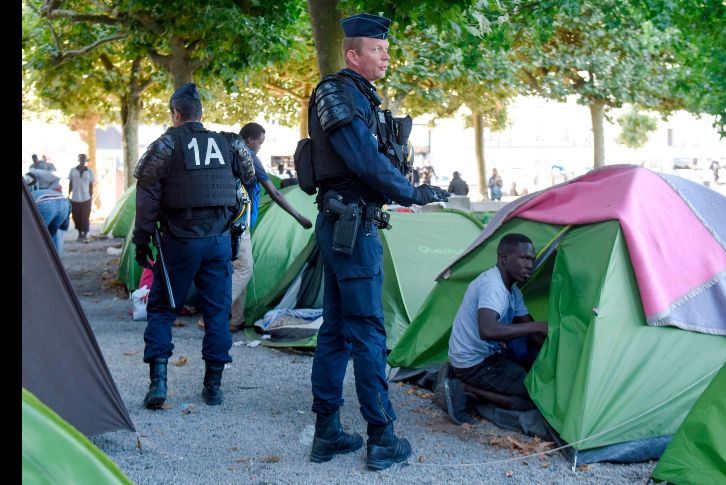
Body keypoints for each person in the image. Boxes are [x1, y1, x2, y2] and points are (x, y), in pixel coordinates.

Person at [304, 13, 450, 470]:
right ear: (352, 54)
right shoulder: (337, 92)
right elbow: (365, 160)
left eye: (386, 49)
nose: (385, 55)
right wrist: (413, 193)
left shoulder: (358, 95)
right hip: (353, 225)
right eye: (376, 49)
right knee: (367, 331)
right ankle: (382, 437)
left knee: (337, 329)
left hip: (346, 221)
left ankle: (327, 432)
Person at [132, 82, 256, 410]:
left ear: (175, 114)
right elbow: (249, 177)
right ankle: (213, 387)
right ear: (200, 114)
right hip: (218, 241)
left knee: (161, 309)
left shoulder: (167, 145)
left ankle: (158, 384)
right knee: (217, 312)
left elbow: (146, 196)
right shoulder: (229, 143)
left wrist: (141, 241)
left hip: (180, 242)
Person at [197, 122, 313, 332]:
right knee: (245, 268)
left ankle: (236, 319)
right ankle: (211, 315)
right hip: (239, 224)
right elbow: (275, 193)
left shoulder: (224, 156)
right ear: (250, 140)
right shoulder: (249, 156)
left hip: (220, 223)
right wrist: (298, 216)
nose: (260, 146)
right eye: (260, 142)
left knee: (235, 268)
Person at [441, 233, 548, 425]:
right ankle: (464, 387)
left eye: (531, 260)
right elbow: (488, 330)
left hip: (488, 356)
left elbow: (531, 330)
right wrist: (539, 325)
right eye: (524, 258)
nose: (530, 265)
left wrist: (551, 354)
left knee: (535, 378)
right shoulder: (493, 286)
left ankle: (459, 379)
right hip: (472, 363)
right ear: (504, 258)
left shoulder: (513, 291)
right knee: (532, 397)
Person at [26, 175, 71, 255]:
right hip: (64, 203)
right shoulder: (38, 191)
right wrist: (65, 224)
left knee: (38, 233)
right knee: (50, 236)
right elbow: (68, 205)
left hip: (46, 204)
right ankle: (53, 258)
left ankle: (38, 256)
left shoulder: (28, 198)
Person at [68, 154, 94, 243]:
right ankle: (79, 233)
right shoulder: (73, 170)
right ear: (78, 159)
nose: (82, 160)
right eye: (81, 158)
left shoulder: (89, 171)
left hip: (86, 198)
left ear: (86, 160)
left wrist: (91, 197)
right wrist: (68, 195)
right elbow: (70, 183)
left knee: (85, 216)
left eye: (84, 158)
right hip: (75, 198)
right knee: (76, 216)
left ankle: (85, 234)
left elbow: (91, 185)